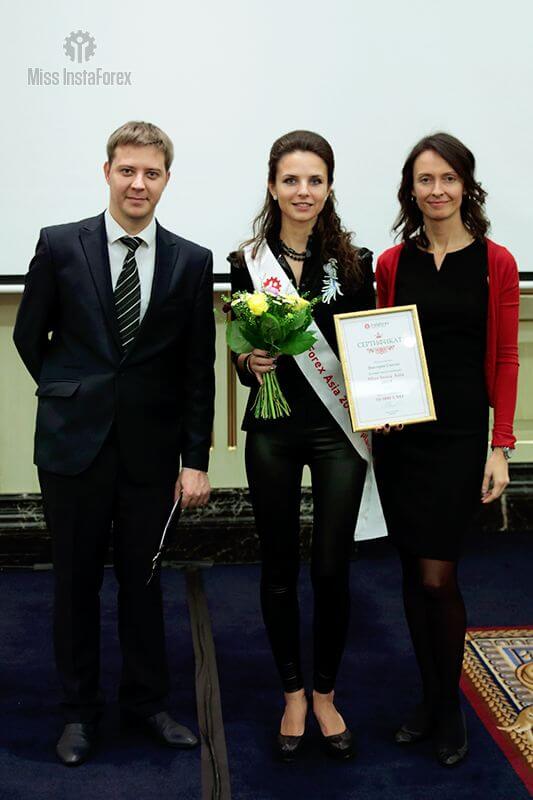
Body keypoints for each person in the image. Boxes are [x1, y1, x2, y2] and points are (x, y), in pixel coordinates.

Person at [13, 121, 215, 766]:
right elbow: (29, 335)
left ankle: (147, 704)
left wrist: (195, 460)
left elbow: (198, 370)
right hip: (73, 448)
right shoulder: (60, 245)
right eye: (127, 170)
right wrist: (70, 391)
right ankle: (78, 713)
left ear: (166, 180)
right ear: (107, 172)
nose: (138, 183)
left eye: (151, 173)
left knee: (143, 584)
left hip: (151, 455)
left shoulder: (191, 260)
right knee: (75, 585)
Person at [228, 130, 386, 762]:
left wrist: (385, 403)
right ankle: (291, 692)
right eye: (291, 180)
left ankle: (325, 693)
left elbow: (370, 346)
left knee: (330, 568)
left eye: (314, 180)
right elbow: (239, 350)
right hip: (273, 428)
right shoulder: (246, 261)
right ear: (272, 187)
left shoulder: (356, 262)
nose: (303, 191)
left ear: (329, 187)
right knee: (277, 566)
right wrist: (249, 365)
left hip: (336, 431)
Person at [374, 132, 519, 766]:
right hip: (402, 438)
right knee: (413, 571)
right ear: (411, 190)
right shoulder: (390, 263)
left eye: (449, 178)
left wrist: (501, 444)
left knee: (440, 575)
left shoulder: (497, 262)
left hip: (460, 437)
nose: (437, 190)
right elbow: (377, 347)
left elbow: (507, 358)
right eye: (425, 180)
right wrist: (377, 411)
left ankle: (450, 704)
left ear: (466, 186)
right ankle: (430, 699)